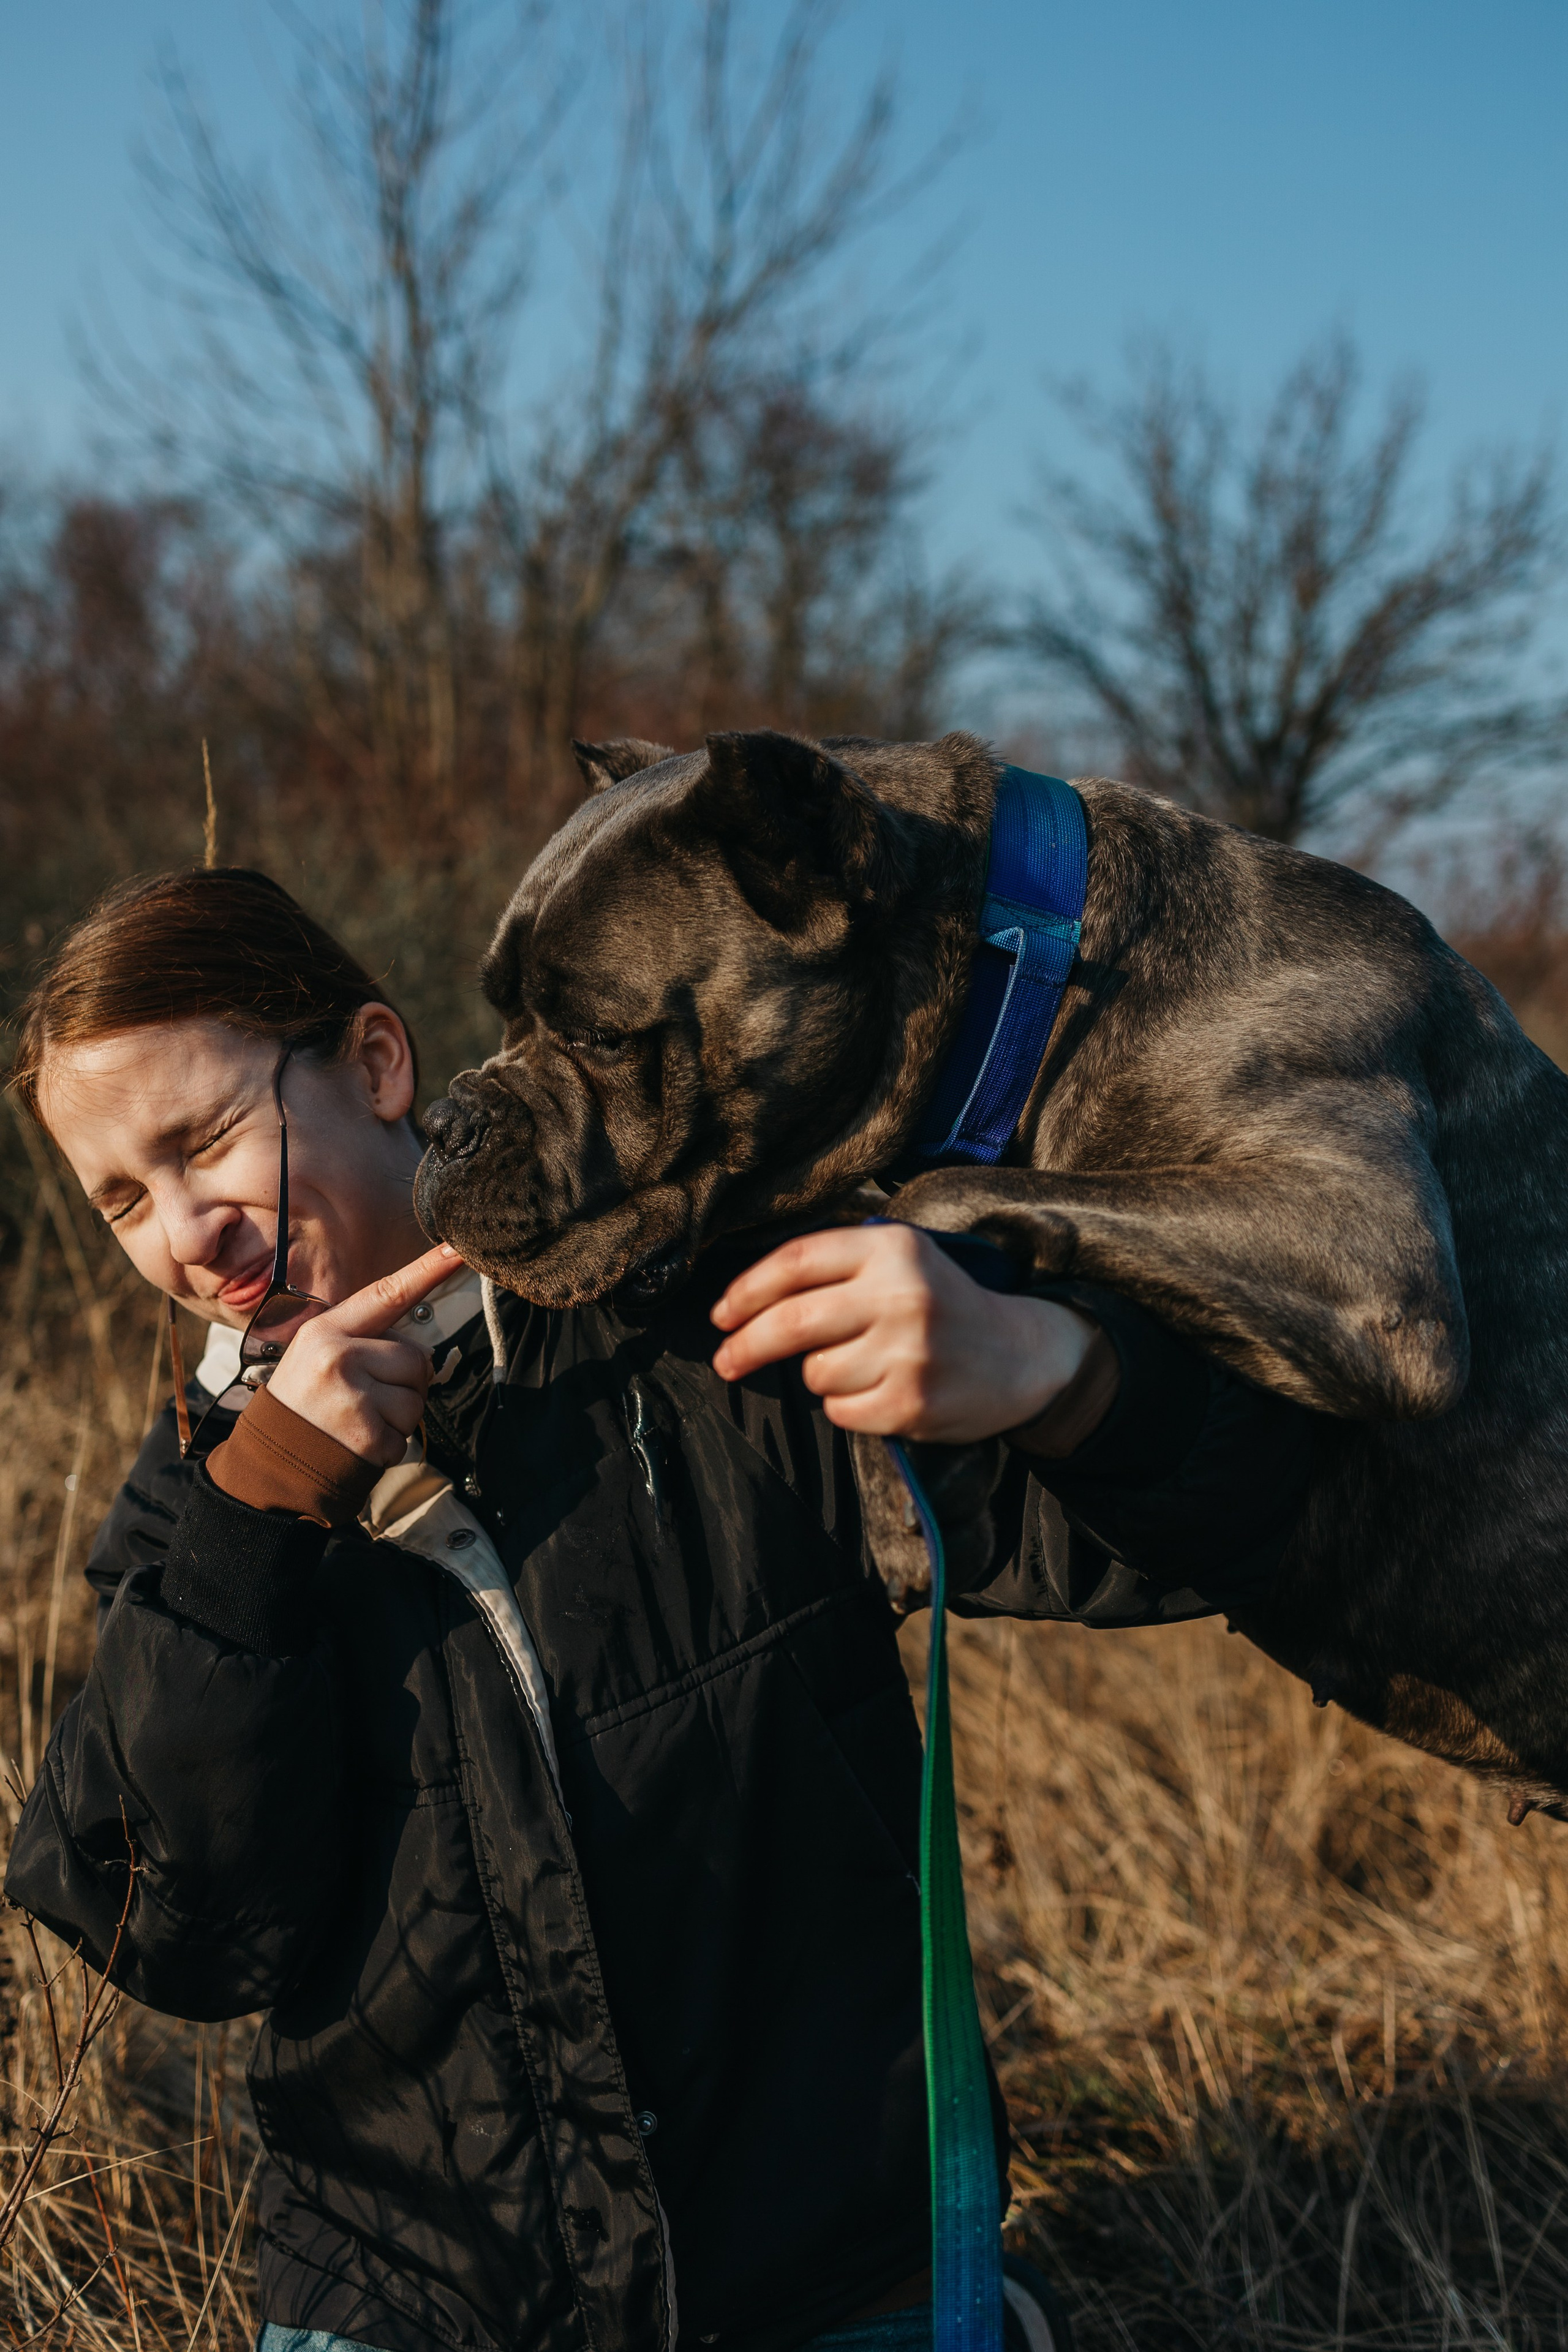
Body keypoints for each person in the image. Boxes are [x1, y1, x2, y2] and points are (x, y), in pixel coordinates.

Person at [6, 866, 1313, 2352]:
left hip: (826, 2268)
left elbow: (1223, 1529)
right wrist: (255, 1527)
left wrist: (1052, 1368)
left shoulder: (700, 1331)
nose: (187, 1235)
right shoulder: (191, 1512)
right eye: (124, 1199)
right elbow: (183, 1944)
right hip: (418, 2302)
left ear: (374, 1064)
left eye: (207, 1141)